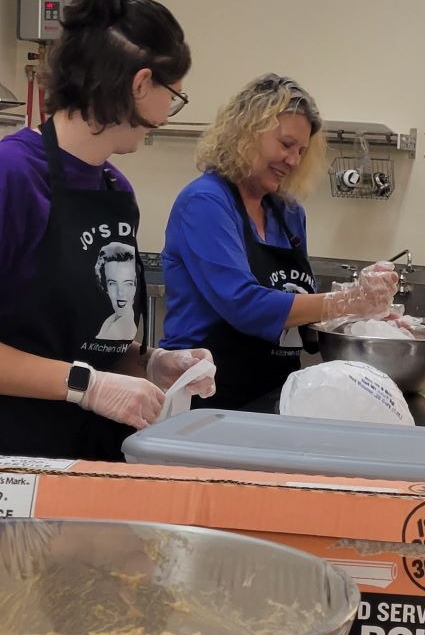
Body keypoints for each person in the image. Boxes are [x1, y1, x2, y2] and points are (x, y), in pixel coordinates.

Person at [0, 0, 215, 460]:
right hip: (4, 456)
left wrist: (148, 363)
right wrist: (86, 385)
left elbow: (80, 342)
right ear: (141, 84)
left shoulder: (115, 190)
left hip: (91, 453)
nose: (167, 114)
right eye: (174, 95)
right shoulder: (2, 179)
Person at [159, 73, 397, 409]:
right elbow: (244, 305)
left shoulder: (287, 212)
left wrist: (364, 320)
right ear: (245, 133)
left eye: (301, 151)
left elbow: (300, 314)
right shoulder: (206, 203)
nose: (294, 160)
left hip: (276, 394)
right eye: (286, 145)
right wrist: (347, 301)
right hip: (207, 397)